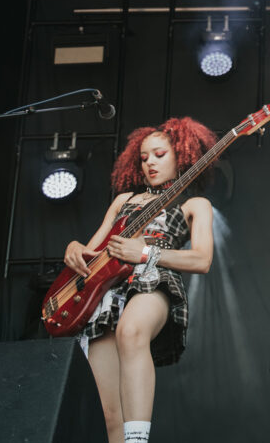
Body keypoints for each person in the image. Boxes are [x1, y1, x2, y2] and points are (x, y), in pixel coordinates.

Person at [62, 118, 216, 443]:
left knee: (131, 332)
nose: (150, 164)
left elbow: (201, 260)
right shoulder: (123, 201)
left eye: (159, 154)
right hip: (105, 291)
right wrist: (74, 249)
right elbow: (91, 255)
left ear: (182, 155)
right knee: (110, 413)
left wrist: (145, 253)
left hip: (152, 279)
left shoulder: (195, 204)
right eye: (144, 158)